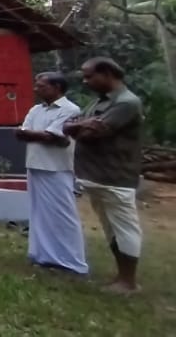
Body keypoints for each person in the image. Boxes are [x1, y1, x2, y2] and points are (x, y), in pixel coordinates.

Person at [64, 57, 145, 294]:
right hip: (96, 175)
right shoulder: (98, 102)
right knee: (111, 229)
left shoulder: (127, 103)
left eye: (89, 76)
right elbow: (73, 126)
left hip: (115, 176)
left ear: (108, 73)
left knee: (125, 228)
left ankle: (128, 281)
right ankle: (120, 275)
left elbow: (93, 133)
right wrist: (82, 126)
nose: (85, 81)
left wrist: (81, 127)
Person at [15, 71, 88, 275]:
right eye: (36, 85)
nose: (36, 89)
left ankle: (71, 260)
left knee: (62, 214)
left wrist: (33, 134)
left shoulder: (70, 110)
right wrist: (37, 134)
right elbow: (25, 133)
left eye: (42, 86)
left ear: (57, 88)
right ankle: (44, 255)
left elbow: (54, 136)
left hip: (57, 168)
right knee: (39, 214)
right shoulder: (36, 109)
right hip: (35, 165)